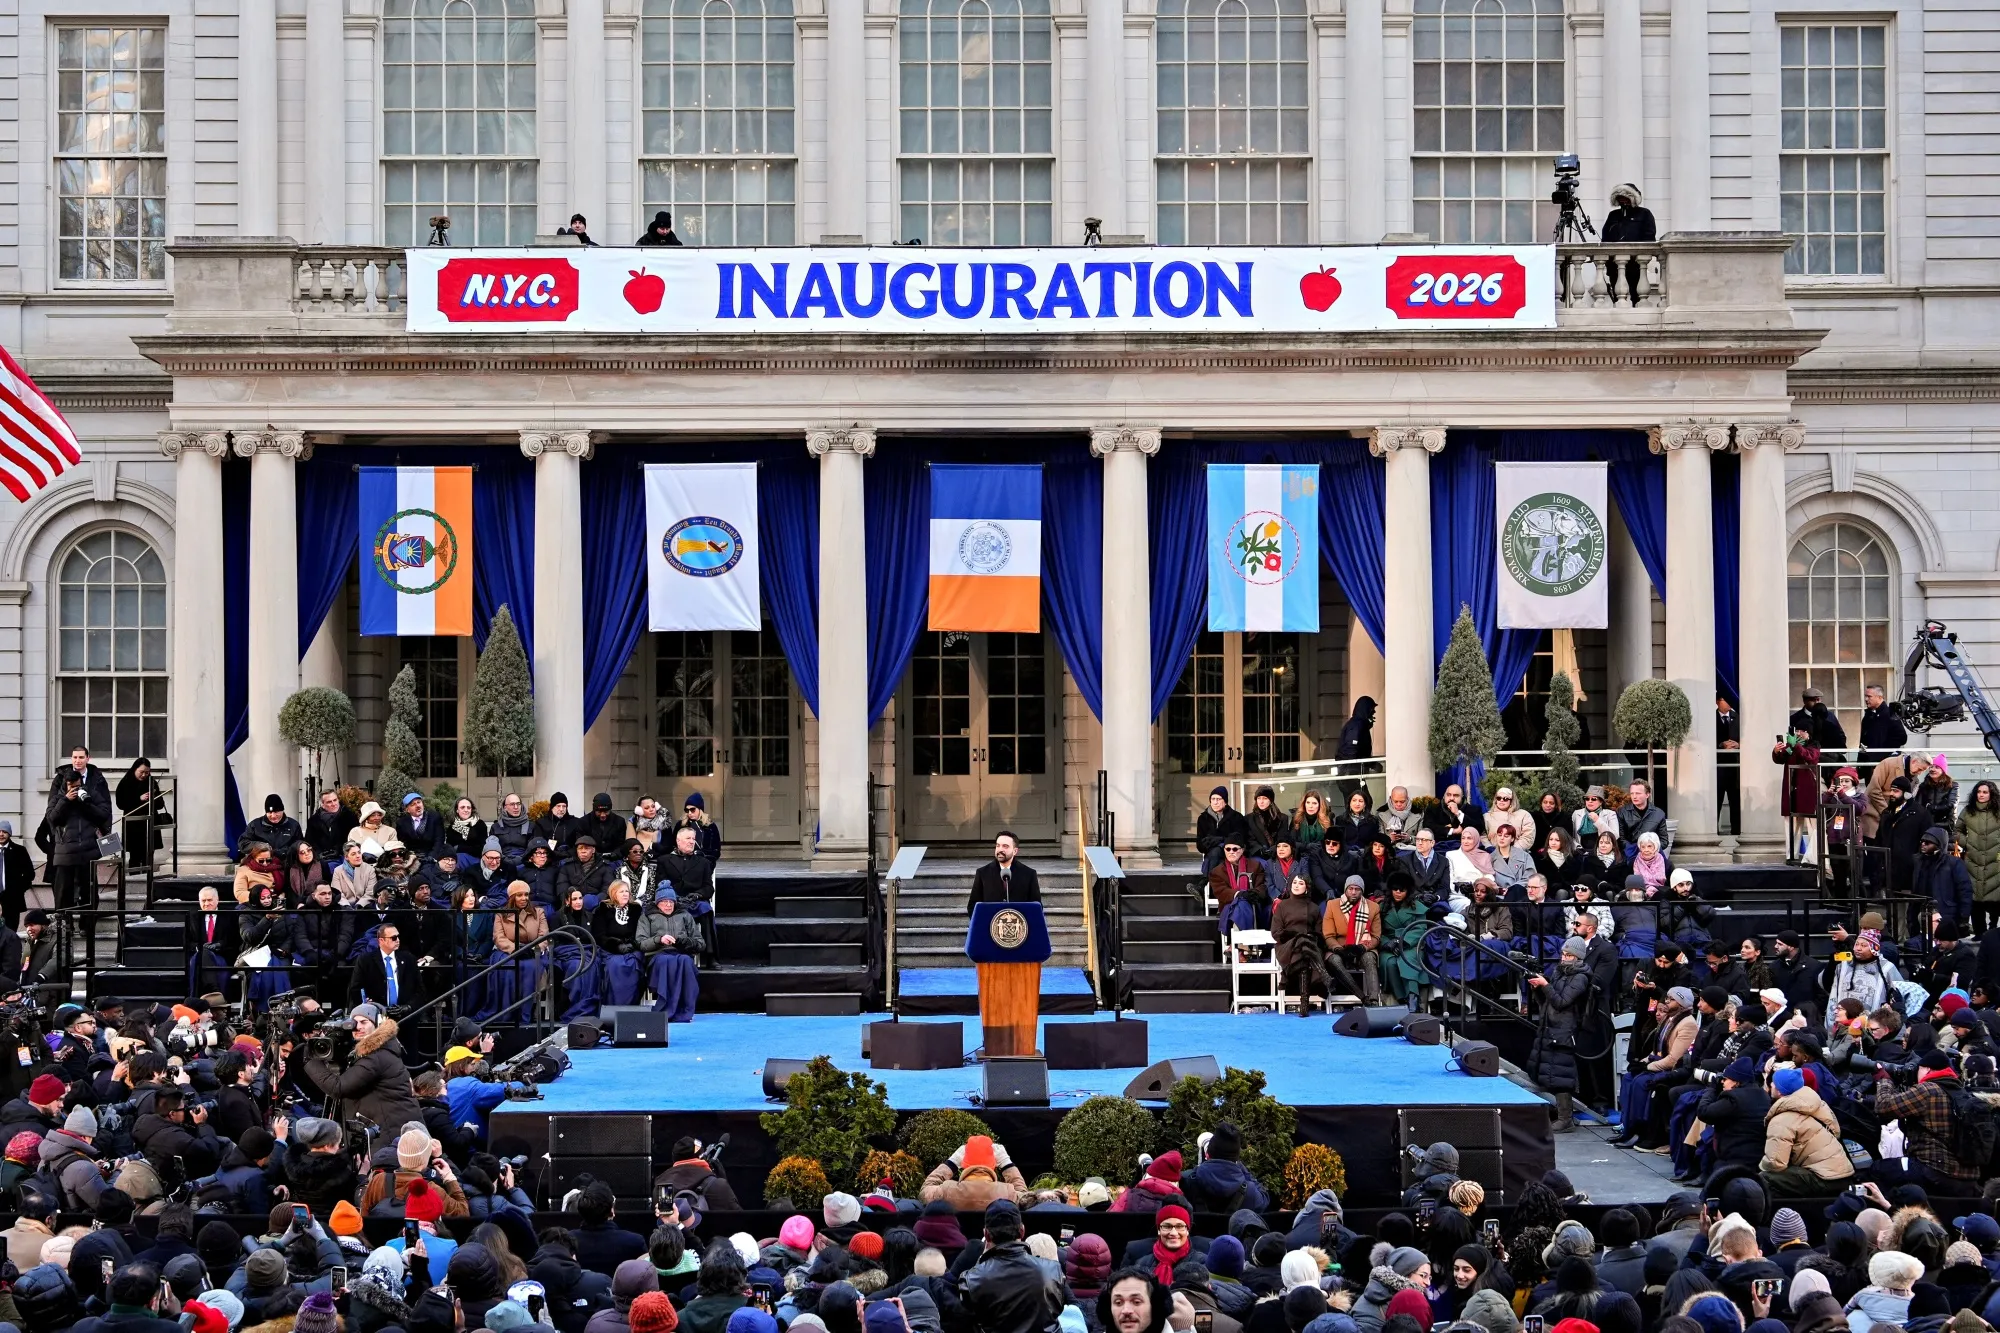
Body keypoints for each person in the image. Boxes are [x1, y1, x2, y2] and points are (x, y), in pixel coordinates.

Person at [304, 1002, 422, 1132]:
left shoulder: (376, 1056)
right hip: (386, 1128)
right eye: (354, 1023)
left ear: (377, 1024)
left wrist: (309, 1060)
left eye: (364, 1022)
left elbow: (338, 1088)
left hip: (389, 1132)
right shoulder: (371, 1051)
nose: (358, 1027)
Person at [1758, 1064, 1855, 1195]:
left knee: (1764, 1179)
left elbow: (1775, 1163)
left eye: (1774, 1083)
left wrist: (1758, 1169)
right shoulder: (1818, 1105)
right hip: (1844, 1174)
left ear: (1780, 1091)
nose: (1771, 1086)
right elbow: (1836, 1132)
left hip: (1824, 1178)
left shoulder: (1781, 1120)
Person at [46, 746, 111, 909]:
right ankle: (65, 927)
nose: (78, 761)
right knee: (64, 891)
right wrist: (57, 837)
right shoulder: (61, 779)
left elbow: (105, 810)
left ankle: (86, 926)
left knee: (88, 890)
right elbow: (51, 815)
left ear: (88, 758)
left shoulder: (97, 778)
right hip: (65, 846)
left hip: (88, 843)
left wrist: (103, 834)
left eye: (81, 757)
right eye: (75, 757)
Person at [636, 887, 698, 1022]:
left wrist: (683, 941)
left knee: (685, 962)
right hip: (657, 954)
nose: (668, 905)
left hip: (680, 952)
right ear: (657, 903)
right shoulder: (647, 916)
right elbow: (641, 943)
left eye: (671, 901)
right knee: (665, 962)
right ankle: (665, 1008)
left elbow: (700, 943)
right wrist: (659, 940)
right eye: (664, 902)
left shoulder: (685, 915)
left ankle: (685, 1009)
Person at [1320, 874, 1381, 1004]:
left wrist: (1362, 948)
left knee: (1370, 958)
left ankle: (1374, 1000)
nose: (1353, 892)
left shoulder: (1373, 907)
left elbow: (1376, 936)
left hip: (1363, 947)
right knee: (1334, 960)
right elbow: (1328, 935)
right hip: (1339, 948)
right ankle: (1363, 998)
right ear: (1345, 889)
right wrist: (1338, 949)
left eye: (1357, 889)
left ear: (1362, 891)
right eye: (1350, 889)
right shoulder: (1332, 905)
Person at [1271, 874, 1326, 1018]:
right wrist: (1296, 936)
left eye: (1300, 883)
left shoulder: (1314, 908)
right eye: (1294, 882)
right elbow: (1276, 932)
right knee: (1302, 942)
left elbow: (1319, 933)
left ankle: (1304, 1003)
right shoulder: (1282, 905)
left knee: (1304, 949)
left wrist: (1309, 937)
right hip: (1286, 946)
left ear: (1306, 888)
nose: (1296, 885)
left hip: (1308, 948)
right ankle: (1321, 975)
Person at [1772, 726, 1822, 863]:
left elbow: (1811, 757)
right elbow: (1781, 758)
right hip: (1791, 789)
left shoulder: (1814, 745)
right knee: (1791, 824)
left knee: (1812, 824)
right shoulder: (1791, 745)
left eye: (1801, 730)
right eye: (1796, 730)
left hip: (1808, 789)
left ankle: (1814, 858)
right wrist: (1777, 751)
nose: (1798, 733)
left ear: (1808, 733)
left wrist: (1797, 746)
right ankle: (1791, 856)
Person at [114, 758, 170, 872]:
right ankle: (133, 879)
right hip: (134, 825)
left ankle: (148, 881)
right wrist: (139, 799)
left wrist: (153, 798)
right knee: (135, 857)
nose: (144, 775)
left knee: (148, 856)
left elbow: (160, 804)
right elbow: (121, 803)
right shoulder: (126, 782)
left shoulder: (151, 782)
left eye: (147, 772)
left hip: (149, 824)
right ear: (135, 769)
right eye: (141, 772)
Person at [967, 831, 1041, 913]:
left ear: (1015, 851)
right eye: (998, 845)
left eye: (1005, 846)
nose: (1000, 849)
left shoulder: (1029, 874)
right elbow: (972, 906)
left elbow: (1036, 906)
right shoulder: (983, 873)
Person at [1961, 780, 2000, 932]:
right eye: (1979, 792)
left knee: (1995, 897)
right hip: (1973, 860)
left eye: (1985, 792)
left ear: (1991, 794)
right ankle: (1979, 932)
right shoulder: (1968, 811)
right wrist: (1967, 842)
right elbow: (1957, 830)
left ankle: (1994, 928)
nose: (1981, 795)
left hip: (1995, 860)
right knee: (1975, 900)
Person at [1196, 789, 1251, 871]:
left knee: (1218, 853)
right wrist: (1210, 843)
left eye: (1218, 799)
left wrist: (1220, 840)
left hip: (1232, 853)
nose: (1215, 802)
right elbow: (1200, 845)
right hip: (1211, 854)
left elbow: (1239, 839)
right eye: (1213, 799)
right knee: (1215, 853)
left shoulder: (1236, 817)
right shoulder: (1203, 818)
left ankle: (1205, 880)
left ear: (1225, 801)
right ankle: (1209, 880)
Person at [1859, 684, 1907, 767]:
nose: (1866, 699)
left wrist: (1884, 754)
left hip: (1884, 763)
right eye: (1865, 696)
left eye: (1869, 696)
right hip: (1869, 763)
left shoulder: (1890, 714)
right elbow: (1863, 741)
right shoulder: (1868, 716)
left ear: (1879, 697)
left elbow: (1901, 737)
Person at [1716, 697, 1741, 836]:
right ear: (1718, 701)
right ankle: (1714, 830)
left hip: (1735, 766)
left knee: (1735, 800)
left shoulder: (1738, 717)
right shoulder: (1711, 717)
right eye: (1725, 699)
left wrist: (1738, 745)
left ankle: (1736, 831)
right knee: (1717, 799)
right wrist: (1721, 744)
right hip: (1718, 767)